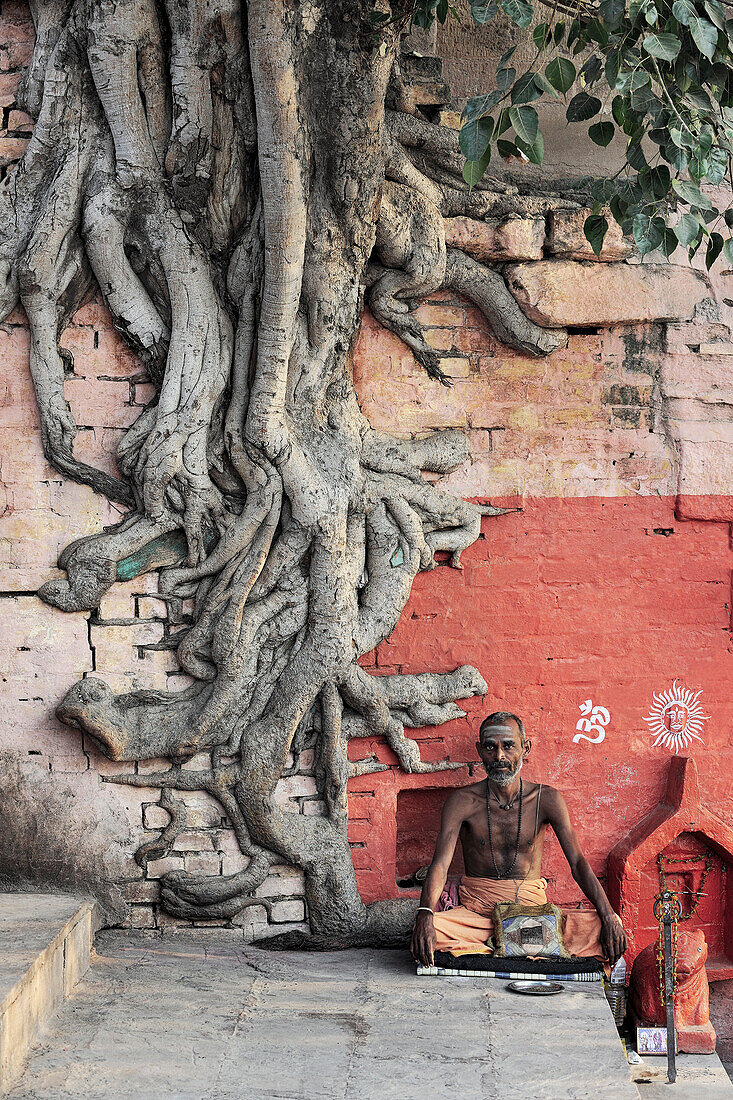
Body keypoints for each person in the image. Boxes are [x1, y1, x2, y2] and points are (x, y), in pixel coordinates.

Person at [410, 711, 627, 967]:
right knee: (432, 930)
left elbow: (578, 863)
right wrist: (425, 913)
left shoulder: (547, 799)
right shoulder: (462, 802)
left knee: (601, 927)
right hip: (479, 915)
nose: (499, 756)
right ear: (480, 751)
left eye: (508, 746)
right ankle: (527, 952)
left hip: (533, 915)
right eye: (490, 747)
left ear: (526, 748)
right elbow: (440, 865)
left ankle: (494, 954)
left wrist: (609, 914)